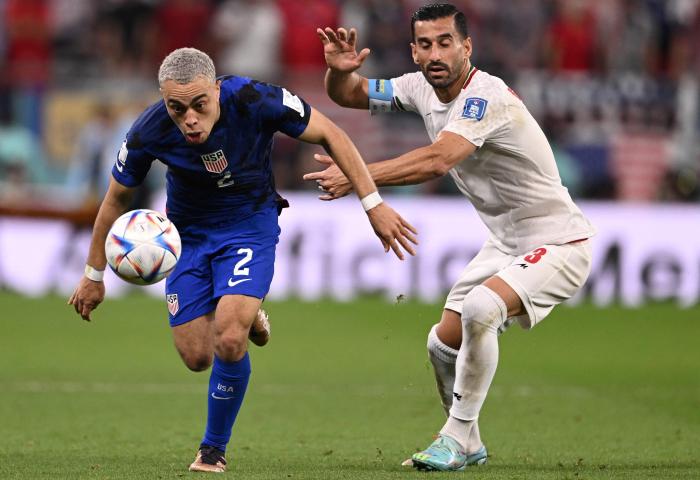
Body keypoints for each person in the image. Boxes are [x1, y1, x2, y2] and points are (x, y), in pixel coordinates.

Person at [68, 47, 417, 474]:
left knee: (229, 339)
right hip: (187, 238)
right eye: (177, 109)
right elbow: (115, 199)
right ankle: (245, 310)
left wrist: (373, 204)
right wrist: (93, 274)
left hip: (248, 224)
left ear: (217, 89)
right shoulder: (148, 131)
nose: (189, 119)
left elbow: (333, 134)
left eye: (199, 105)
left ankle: (213, 449)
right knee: (197, 357)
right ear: (164, 101)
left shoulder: (255, 98)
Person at [307, 3, 596, 471]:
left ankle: (454, 436)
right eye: (425, 44)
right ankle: (470, 441)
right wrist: (337, 73)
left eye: (446, 42)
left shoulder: (485, 96)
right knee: (442, 344)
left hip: (561, 242)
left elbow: (439, 159)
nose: (435, 53)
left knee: (482, 308)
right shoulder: (419, 86)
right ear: (414, 51)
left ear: (467, 47)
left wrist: (357, 175)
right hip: (505, 241)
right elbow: (351, 94)